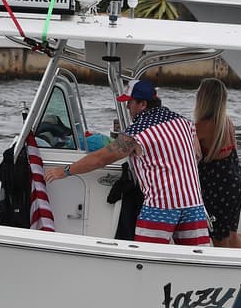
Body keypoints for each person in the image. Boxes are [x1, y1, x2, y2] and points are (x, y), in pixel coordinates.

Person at [44, 80, 211, 246]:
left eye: (130, 103)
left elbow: (100, 159)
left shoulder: (137, 133)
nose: (127, 107)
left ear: (143, 104)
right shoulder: (185, 123)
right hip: (193, 204)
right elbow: (197, 154)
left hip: (161, 206)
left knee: (145, 258)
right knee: (196, 259)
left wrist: (65, 171)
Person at [194, 78, 241, 249]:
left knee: (219, 238)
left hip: (219, 189)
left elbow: (185, 153)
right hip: (236, 183)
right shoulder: (227, 122)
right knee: (231, 235)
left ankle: (227, 273)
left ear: (202, 98)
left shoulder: (202, 127)